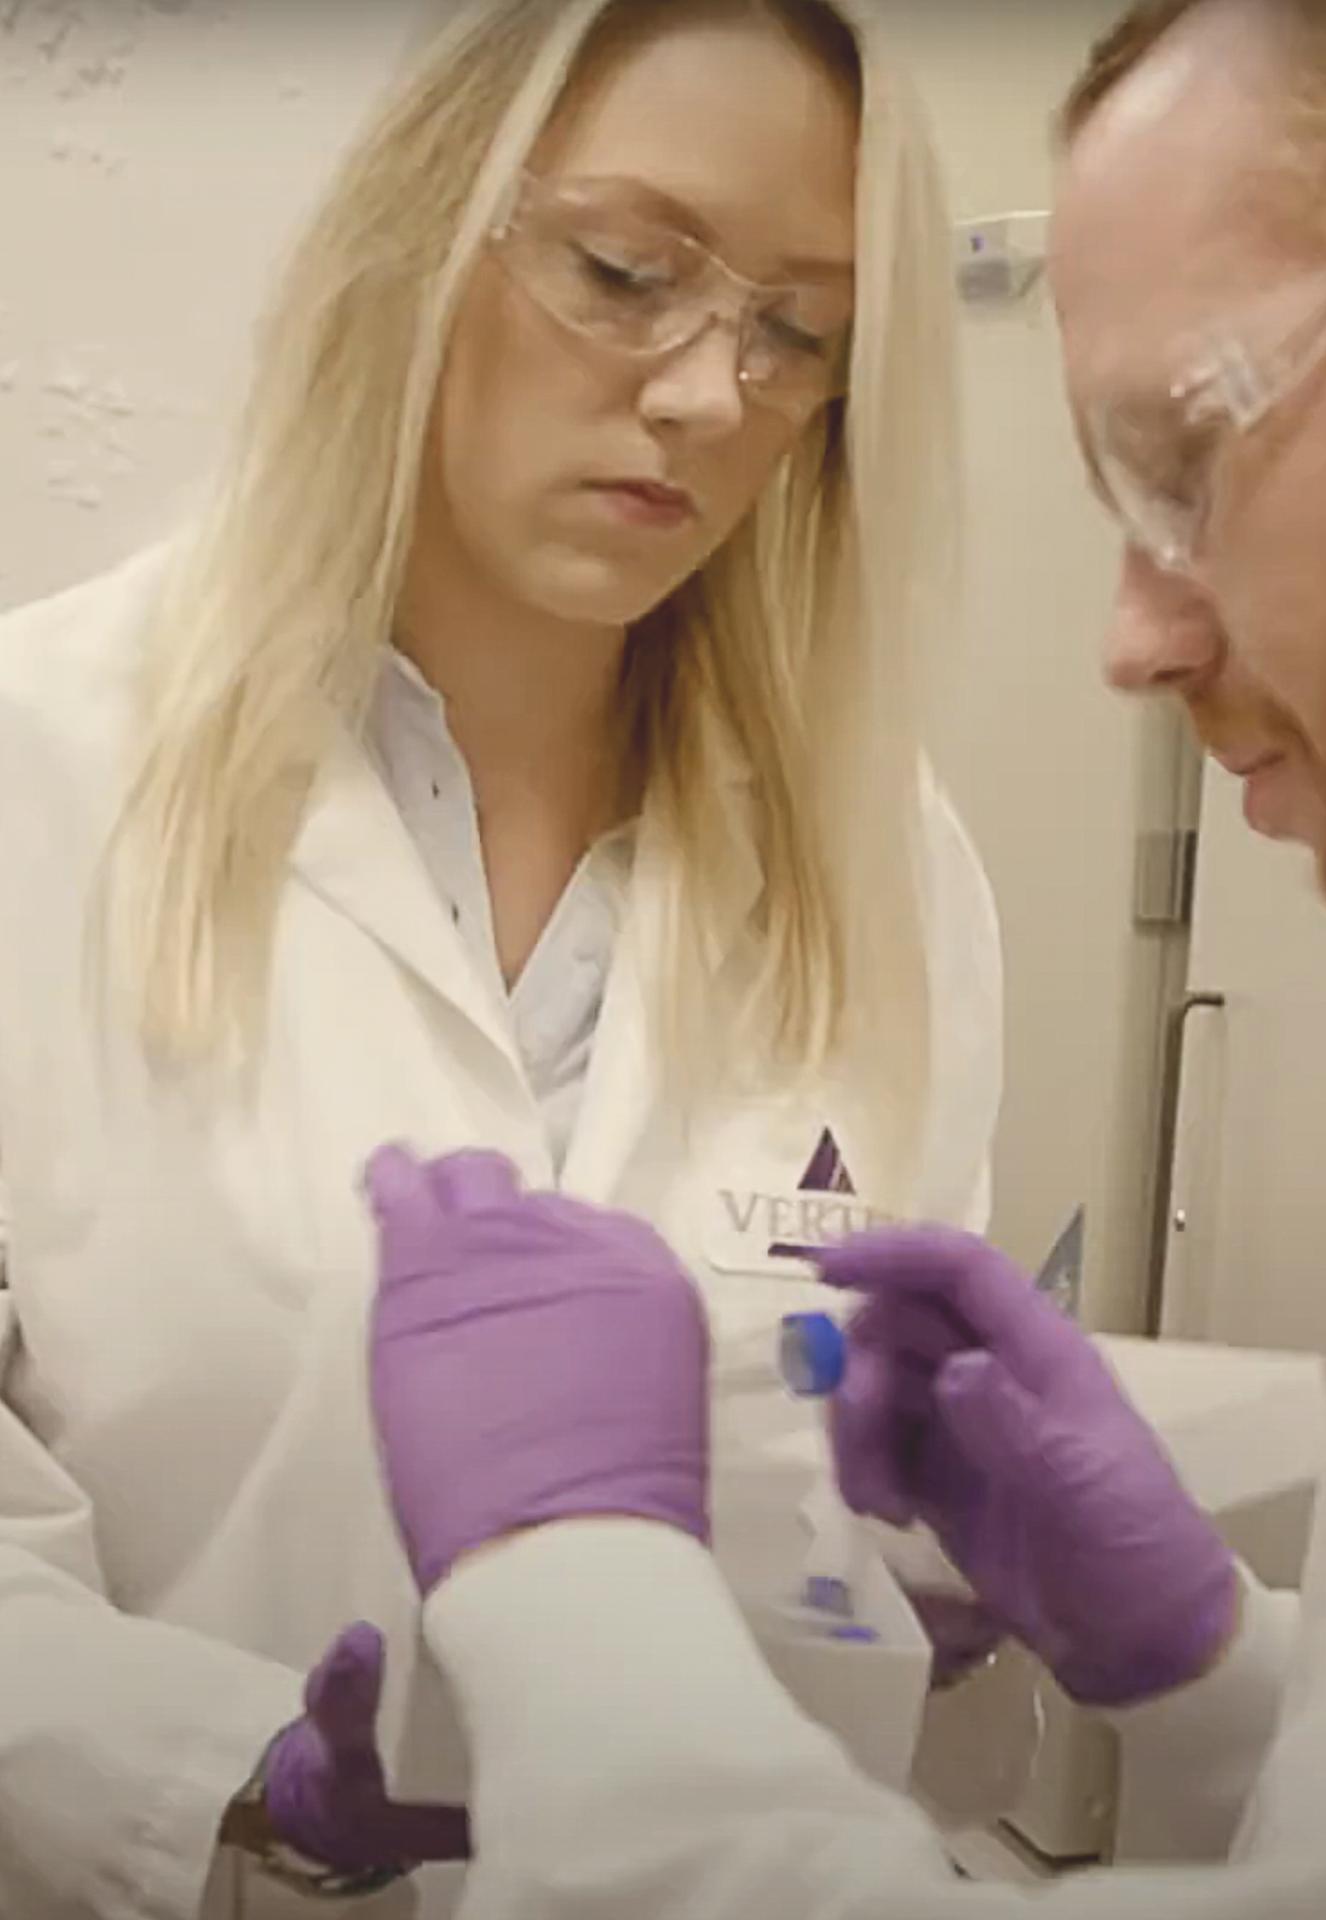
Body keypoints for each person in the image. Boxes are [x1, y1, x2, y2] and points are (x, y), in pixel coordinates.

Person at [352, 0, 1326, 1914]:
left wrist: (568, 1582)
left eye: (1184, 456)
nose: (1134, 642)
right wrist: (1217, 1670)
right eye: (619, 272)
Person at [0, 1, 1000, 1913]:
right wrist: (220, 1772)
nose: (712, 393)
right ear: (421, 236)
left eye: (797, 332)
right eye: (626, 274)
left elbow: (863, 1481)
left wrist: (935, 1555)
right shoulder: (40, 770)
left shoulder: (887, 862)